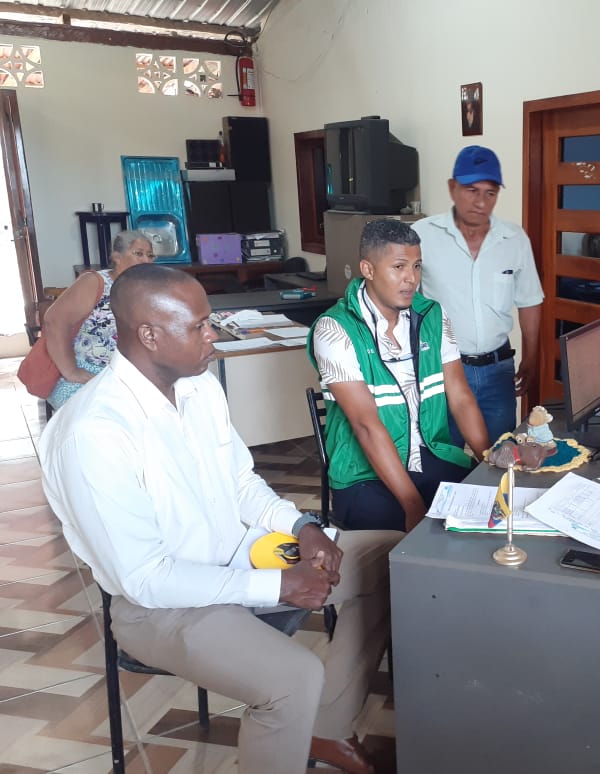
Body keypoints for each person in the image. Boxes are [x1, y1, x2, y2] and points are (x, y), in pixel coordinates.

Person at [39, 264, 398, 774]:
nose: (213, 335)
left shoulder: (199, 388)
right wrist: (278, 586)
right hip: (163, 607)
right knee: (291, 678)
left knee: (396, 559)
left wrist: (302, 527)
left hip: (244, 557)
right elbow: (145, 578)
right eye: (199, 326)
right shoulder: (94, 433)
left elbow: (241, 484)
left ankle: (328, 727)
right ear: (149, 335)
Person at [308, 219, 490, 533]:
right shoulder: (335, 329)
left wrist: (490, 464)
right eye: (399, 267)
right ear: (368, 269)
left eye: (417, 266)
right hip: (362, 474)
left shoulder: (433, 316)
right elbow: (366, 426)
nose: (411, 279)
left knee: (489, 510)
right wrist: (412, 504)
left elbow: (461, 398)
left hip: (431, 454)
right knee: (418, 539)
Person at [414, 145, 544, 446]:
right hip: (442, 370)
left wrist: (532, 356)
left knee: (500, 456)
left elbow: (529, 301)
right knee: (444, 455)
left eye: (490, 193)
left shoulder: (514, 239)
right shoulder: (423, 236)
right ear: (452, 188)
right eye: (472, 191)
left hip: (498, 372)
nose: (481, 202)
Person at [44, 230, 155, 408]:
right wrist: (71, 371)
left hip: (130, 374)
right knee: (97, 415)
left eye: (150, 256)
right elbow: (54, 321)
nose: (146, 261)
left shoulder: (147, 288)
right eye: (139, 254)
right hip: (89, 372)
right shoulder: (96, 282)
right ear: (117, 257)